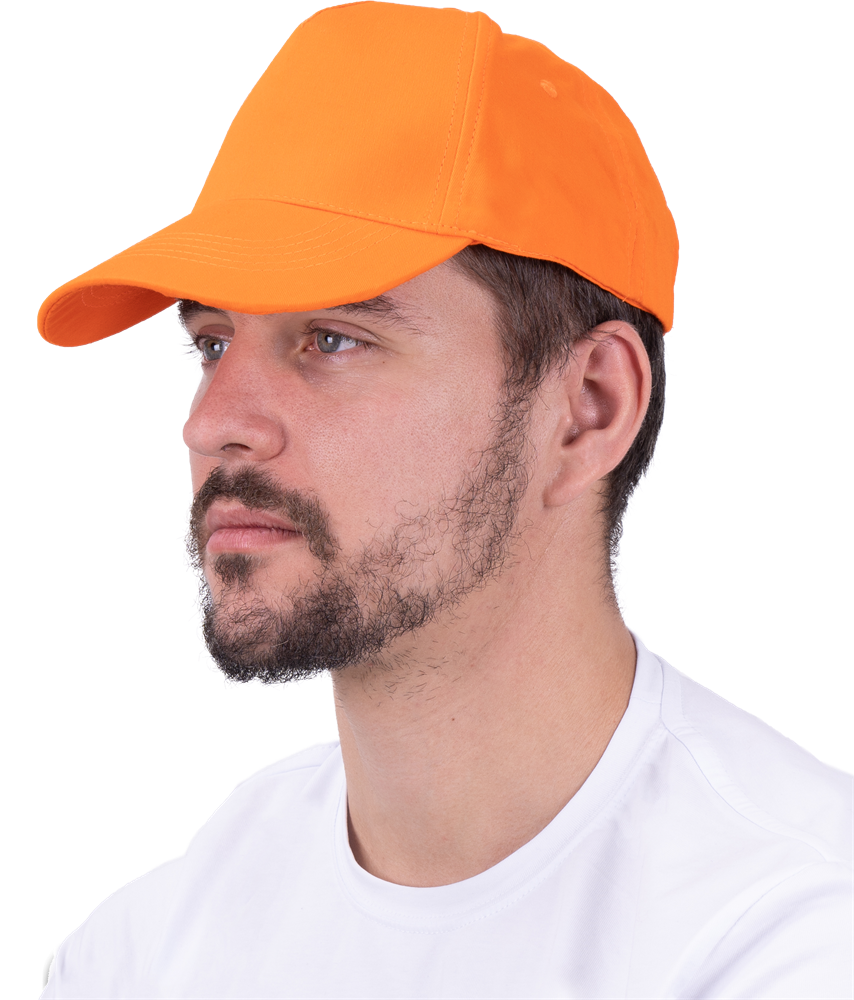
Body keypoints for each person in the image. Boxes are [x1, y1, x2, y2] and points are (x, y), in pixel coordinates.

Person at [37, 4, 851, 998]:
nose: (212, 425)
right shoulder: (147, 950)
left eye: (332, 338)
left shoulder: (796, 930)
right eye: (210, 344)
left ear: (588, 408)